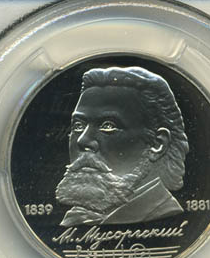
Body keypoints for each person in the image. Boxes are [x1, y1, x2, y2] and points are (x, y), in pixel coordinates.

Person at [55, 66, 189, 226]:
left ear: (157, 143)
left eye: (108, 126)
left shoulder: (165, 215)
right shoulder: (77, 217)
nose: (82, 140)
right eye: (78, 126)